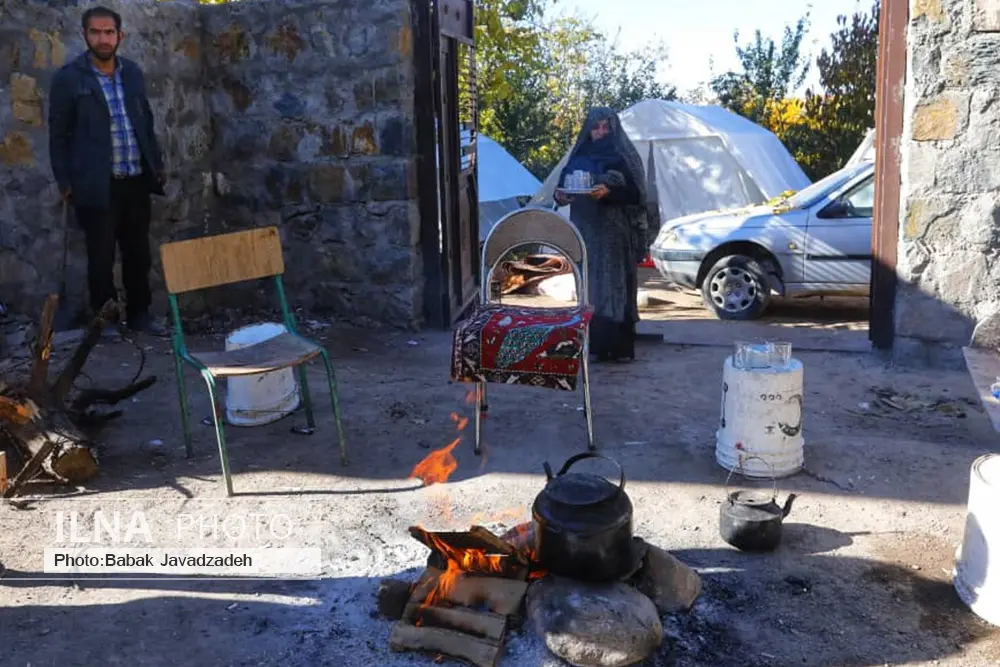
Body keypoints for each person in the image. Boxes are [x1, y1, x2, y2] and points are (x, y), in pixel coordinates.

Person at [48, 5, 169, 337]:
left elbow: (144, 122)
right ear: (85, 35)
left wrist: (155, 164)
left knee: (137, 254)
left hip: (134, 179)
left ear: (120, 35)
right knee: (100, 259)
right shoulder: (69, 79)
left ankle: (141, 314)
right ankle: (106, 321)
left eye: (109, 32)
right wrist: (65, 181)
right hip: (95, 184)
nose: (103, 38)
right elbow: (58, 135)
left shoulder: (132, 73)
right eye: (95, 32)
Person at [554, 107, 648, 362]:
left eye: (606, 127)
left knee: (614, 287)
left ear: (613, 128)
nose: (601, 132)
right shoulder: (580, 154)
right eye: (596, 127)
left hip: (614, 234)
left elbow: (638, 194)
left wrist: (610, 193)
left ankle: (617, 348)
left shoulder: (623, 154)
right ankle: (594, 345)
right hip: (586, 230)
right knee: (591, 285)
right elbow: (562, 186)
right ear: (589, 129)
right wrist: (561, 196)